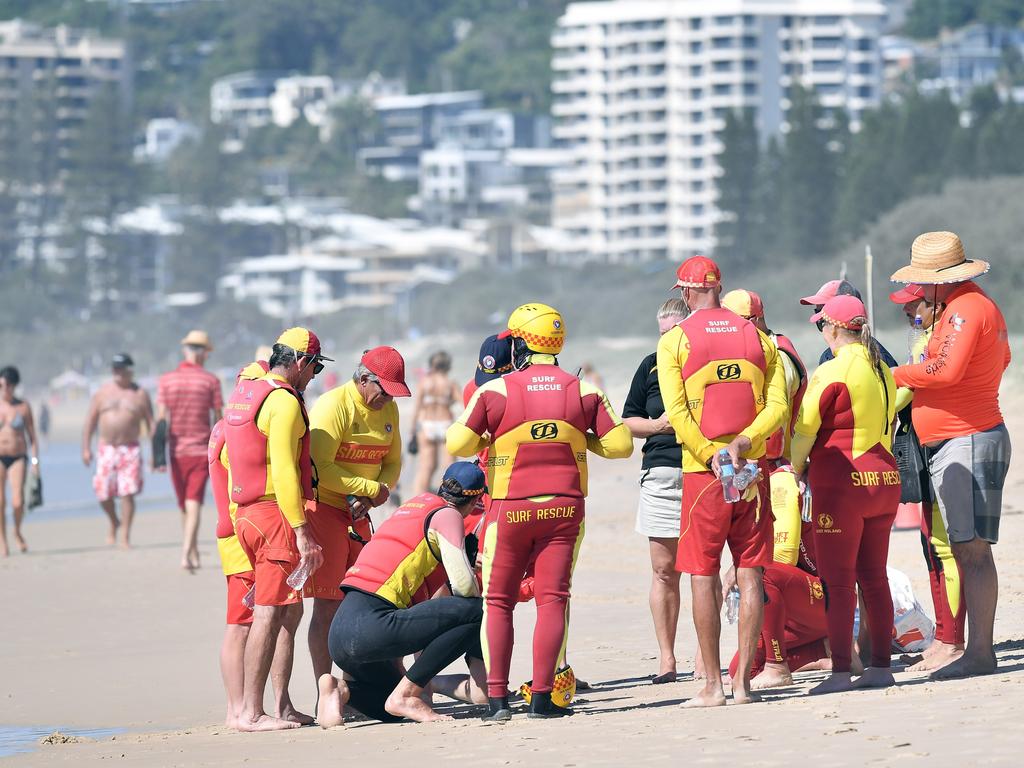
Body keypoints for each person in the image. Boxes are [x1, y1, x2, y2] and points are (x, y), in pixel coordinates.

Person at [448, 302, 633, 720]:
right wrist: (577, 437)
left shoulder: (494, 391)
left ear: (519, 345)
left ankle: (497, 701)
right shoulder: (584, 389)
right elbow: (621, 446)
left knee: (498, 602)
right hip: (565, 509)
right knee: (553, 600)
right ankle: (543, 698)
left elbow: (457, 444)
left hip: (509, 510)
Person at [656, 256, 787, 708]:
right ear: (719, 287)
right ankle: (744, 685)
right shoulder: (756, 335)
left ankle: (712, 685)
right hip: (752, 472)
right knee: (751, 573)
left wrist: (712, 451)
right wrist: (745, 443)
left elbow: (678, 414)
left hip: (704, 474)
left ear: (687, 292)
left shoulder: (675, 340)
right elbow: (778, 408)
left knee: (702, 574)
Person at [890, 231, 1011, 681]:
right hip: (967, 435)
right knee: (966, 546)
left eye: (923, 283)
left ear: (939, 280)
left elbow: (946, 369)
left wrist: (896, 374)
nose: (918, 292)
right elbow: (1003, 359)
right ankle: (977, 649)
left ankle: (980, 652)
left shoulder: (965, 309)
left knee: (972, 549)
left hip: (970, 438)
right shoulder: (971, 307)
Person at [316, 462, 488, 726]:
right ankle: (407, 694)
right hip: (371, 625)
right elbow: (464, 588)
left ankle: (340, 690)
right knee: (473, 610)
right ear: (476, 499)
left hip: (341, 632)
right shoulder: (448, 515)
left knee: (390, 710)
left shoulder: (415, 504)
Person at [791, 294, 900, 695]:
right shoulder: (882, 370)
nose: (822, 332)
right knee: (874, 578)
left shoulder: (832, 370)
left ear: (835, 329)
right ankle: (880, 667)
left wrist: (795, 466)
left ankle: (839, 672)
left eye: (822, 325)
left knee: (837, 582)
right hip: (886, 479)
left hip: (843, 483)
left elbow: (804, 429)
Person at [225, 328, 328, 731]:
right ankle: (251, 712)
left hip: (246, 513)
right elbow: (285, 471)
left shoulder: (247, 390)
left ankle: (281, 705)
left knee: (290, 608)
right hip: (273, 517)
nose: (315, 374)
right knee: (268, 612)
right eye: (315, 366)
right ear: (300, 362)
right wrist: (301, 529)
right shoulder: (283, 402)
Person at [306, 346, 407, 686]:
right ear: (365, 379)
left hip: (361, 515)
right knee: (329, 605)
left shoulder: (388, 407)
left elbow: (393, 462)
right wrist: (367, 488)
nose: (387, 399)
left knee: (366, 599)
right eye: (383, 391)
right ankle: (326, 687)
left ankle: (353, 685)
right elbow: (319, 466)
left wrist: (376, 491)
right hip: (326, 511)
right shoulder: (334, 406)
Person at [889, 282, 965, 673]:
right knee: (930, 544)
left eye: (912, 305)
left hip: (938, 447)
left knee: (942, 546)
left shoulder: (933, 343)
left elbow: (903, 394)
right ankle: (944, 637)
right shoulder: (926, 339)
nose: (907, 312)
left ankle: (951, 639)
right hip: (929, 447)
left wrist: (879, 387)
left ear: (932, 304)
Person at [622, 297, 688, 683]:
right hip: (660, 469)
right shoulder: (649, 365)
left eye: (673, 333)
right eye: (661, 334)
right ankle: (667, 658)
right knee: (664, 570)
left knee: (704, 570)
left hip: (701, 468)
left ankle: (705, 652)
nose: (666, 341)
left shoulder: (701, 360)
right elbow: (628, 421)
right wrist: (660, 425)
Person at [722, 289, 810, 570]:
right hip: (754, 462)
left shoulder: (777, 356)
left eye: (737, 322)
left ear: (757, 320)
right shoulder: (753, 349)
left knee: (773, 561)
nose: (731, 329)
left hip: (776, 466)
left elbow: (774, 424)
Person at [156, 330, 223, 571]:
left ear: (185, 350)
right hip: (200, 450)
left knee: (186, 503)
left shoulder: (166, 380)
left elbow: (161, 420)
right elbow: (219, 420)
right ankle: (189, 551)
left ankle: (188, 550)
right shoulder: (211, 381)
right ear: (204, 353)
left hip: (175, 450)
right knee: (192, 502)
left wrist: (157, 455)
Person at [82, 354, 153, 548]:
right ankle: (114, 521)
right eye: (114, 369)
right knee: (103, 493)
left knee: (127, 493)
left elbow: (151, 424)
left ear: (130, 370)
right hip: (106, 448)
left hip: (130, 448)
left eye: (121, 369)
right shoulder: (102, 393)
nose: (117, 373)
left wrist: (155, 454)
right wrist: (86, 448)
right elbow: (90, 421)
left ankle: (125, 535)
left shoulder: (139, 393)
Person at [800, 279, 899, 368]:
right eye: (817, 312)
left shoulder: (879, 358)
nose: (821, 322)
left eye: (823, 314)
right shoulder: (827, 357)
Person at [410, 350, 461, 495]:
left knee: (427, 466)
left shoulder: (424, 383)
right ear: (448, 366)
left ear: (432, 365)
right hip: (445, 423)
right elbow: (465, 403)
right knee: (449, 465)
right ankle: (445, 497)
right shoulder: (450, 384)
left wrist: (413, 429)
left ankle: (419, 497)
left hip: (426, 424)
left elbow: (417, 407)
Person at [0, 366, 39, 556]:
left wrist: (35, 462)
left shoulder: (23, 407)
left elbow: (32, 437)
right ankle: (2, 540)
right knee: (0, 501)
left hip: (18, 457)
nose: (3, 388)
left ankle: (16, 531)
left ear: (13, 385)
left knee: (17, 501)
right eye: (1, 384)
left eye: (7, 384)